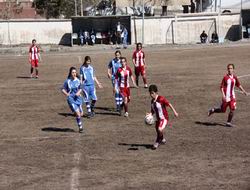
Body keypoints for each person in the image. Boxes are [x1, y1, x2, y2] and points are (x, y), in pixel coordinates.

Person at [147, 84, 178, 150]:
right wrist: (150, 114)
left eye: (152, 93)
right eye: (150, 93)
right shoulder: (152, 101)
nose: (151, 95)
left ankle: (157, 142)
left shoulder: (161, 99)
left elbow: (169, 104)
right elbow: (152, 111)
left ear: (156, 92)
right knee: (158, 130)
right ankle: (162, 139)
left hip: (164, 118)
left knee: (160, 129)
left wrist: (175, 112)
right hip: (157, 119)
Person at [61, 67, 84, 133]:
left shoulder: (78, 80)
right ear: (70, 73)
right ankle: (80, 127)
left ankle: (79, 121)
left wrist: (79, 92)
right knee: (78, 114)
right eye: (72, 72)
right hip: (71, 99)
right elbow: (62, 89)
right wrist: (67, 94)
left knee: (81, 114)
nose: (74, 74)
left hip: (78, 99)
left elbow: (81, 87)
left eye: (75, 72)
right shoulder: (67, 81)